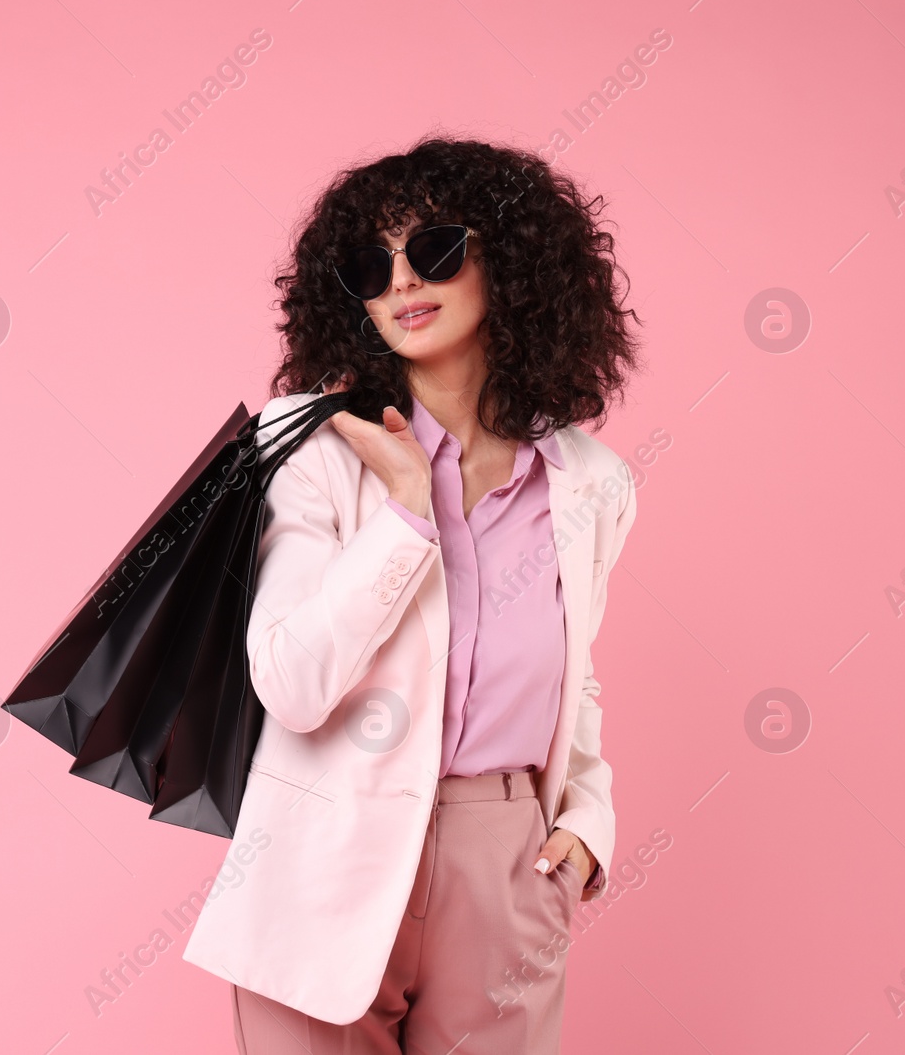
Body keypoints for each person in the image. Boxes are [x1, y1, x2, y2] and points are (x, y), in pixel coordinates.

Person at [181, 134, 645, 1054]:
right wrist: (402, 511)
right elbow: (292, 681)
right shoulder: (309, 447)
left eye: (432, 249)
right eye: (369, 265)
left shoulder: (591, 481)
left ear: (507, 259)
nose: (401, 280)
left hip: (503, 859)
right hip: (324, 848)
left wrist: (588, 821)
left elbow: (570, 676)